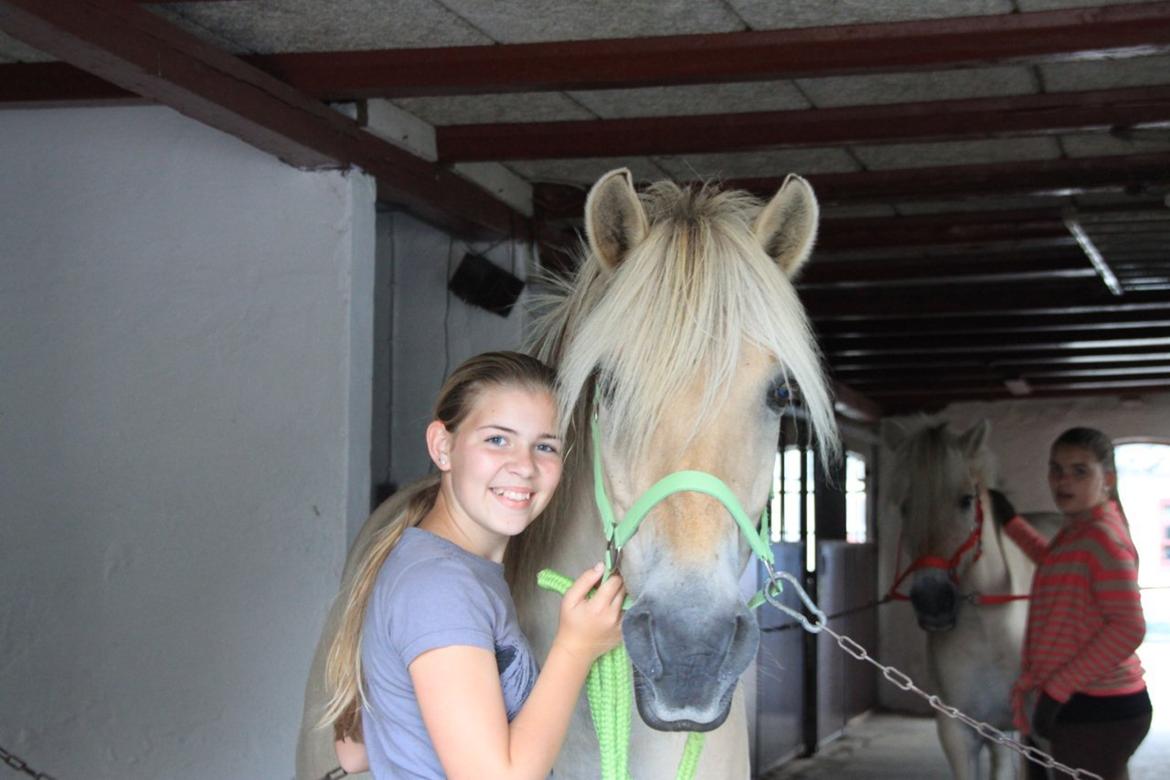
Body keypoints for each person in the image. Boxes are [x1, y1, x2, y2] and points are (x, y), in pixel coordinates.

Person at [319, 351, 626, 779]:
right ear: (443, 447)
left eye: (545, 446)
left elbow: (353, 751)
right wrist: (576, 648)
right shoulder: (441, 588)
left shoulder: (447, 568)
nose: (524, 466)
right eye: (497, 439)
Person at [998, 427, 1151, 780]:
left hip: (1099, 707)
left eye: (1080, 471)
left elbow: (1129, 627)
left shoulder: (1101, 538)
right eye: (1056, 469)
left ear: (1107, 479)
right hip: (1083, 701)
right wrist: (1011, 522)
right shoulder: (1078, 531)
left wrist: (1056, 690)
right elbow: (1051, 560)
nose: (1063, 481)